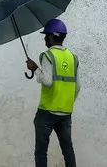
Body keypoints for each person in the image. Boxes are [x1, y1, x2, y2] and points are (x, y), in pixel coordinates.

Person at [25, 18, 78, 167]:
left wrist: (34, 67)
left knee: (41, 152)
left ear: (50, 37)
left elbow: (47, 81)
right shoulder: (73, 57)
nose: (44, 39)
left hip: (47, 112)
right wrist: (66, 102)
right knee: (68, 150)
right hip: (66, 111)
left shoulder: (47, 55)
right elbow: (77, 86)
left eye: (45, 36)